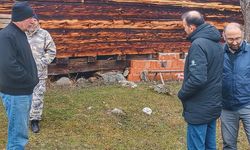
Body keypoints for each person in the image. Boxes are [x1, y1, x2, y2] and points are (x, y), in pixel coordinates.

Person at [177, 10, 223, 150]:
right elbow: (211, 71)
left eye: (184, 26)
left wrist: (182, 93)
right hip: (213, 104)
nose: (184, 30)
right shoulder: (216, 43)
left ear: (192, 27)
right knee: (210, 145)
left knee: (196, 146)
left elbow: (198, 79)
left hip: (199, 106)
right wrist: (188, 75)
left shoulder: (198, 44)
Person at [0, 1, 39, 149]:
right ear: (23, 17)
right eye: (30, 18)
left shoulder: (19, 33)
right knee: (18, 136)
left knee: (19, 132)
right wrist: (29, 79)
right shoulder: (6, 36)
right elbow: (8, 66)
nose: (32, 21)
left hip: (22, 92)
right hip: (16, 93)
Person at [221, 22, 250, 149]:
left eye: (237, 38)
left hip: (248, 104)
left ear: (243, 35)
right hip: (226, 107)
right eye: (230, 39)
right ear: (224, 36)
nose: (234, 42)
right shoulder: (217, 53)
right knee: (228, 145)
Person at [26, 15, 56, 133]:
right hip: (23, 73)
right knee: (23, 96)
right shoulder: (21, 34)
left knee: (37, 97)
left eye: (34, 20)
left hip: (39, 73)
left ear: (38, 21)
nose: (32, 23)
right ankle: (23, 118)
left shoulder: (44, 34)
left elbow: (52, 51)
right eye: (30, 20)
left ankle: (34, 120)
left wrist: (41, 62)